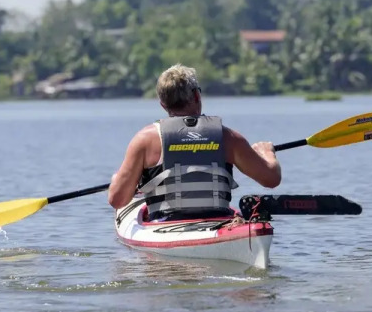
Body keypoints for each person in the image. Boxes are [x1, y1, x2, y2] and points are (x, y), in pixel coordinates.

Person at [108, 64, 281, 221]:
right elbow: (271, 179)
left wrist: (119, 180)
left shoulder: (145, 140)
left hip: (164, 226)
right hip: (219, 221)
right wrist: (267, 153)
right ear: (197, 96)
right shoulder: (228, 137)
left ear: (163, 104)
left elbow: (117, 200)